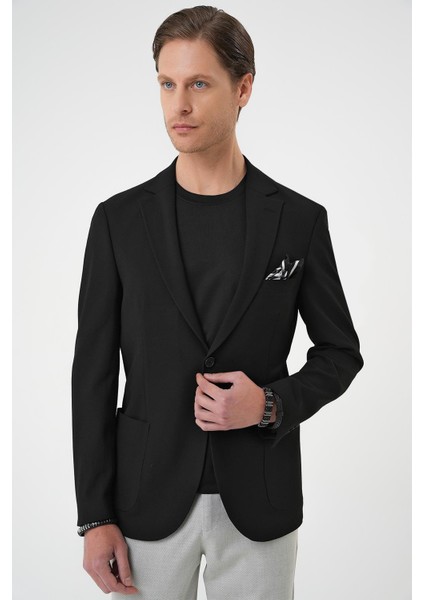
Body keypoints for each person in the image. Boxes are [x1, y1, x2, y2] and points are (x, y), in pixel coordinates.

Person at [71, 6, 364, 599]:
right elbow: (92, 375)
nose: (178, 105)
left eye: (199, 84)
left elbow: (341, 352)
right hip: (145, 501)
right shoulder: (118, 221)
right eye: (167, 83)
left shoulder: (298, 221)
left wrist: (269, 405)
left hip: (260, 500)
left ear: (244, 88)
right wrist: (94, 516)